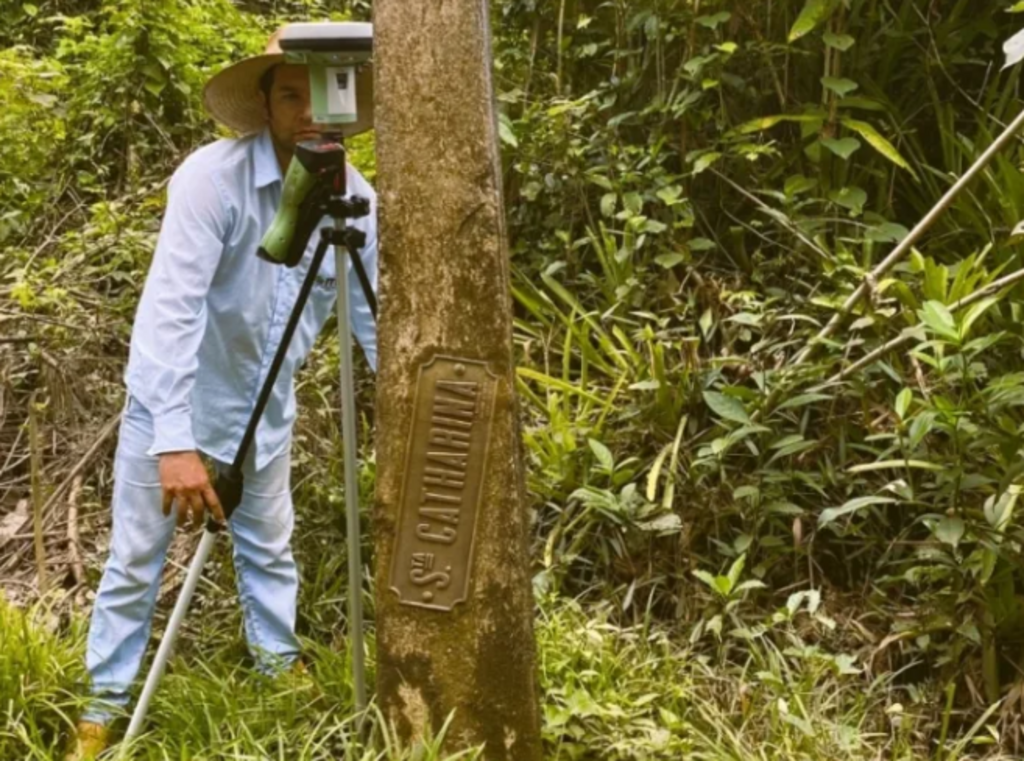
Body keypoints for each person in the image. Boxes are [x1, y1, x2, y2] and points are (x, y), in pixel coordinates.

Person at [65, 24, 377, 761]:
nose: (307, 112)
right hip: (173, 404)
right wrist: (172, 441)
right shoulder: (211, 178)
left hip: (265, 411)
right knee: (137, 560)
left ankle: (278, 665)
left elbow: (373, 316)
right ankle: (102, 704)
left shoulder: (356, 198)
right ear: (265, 102)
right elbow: (170, 308)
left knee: (270, 548)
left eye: (319, 96)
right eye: (290, 93)